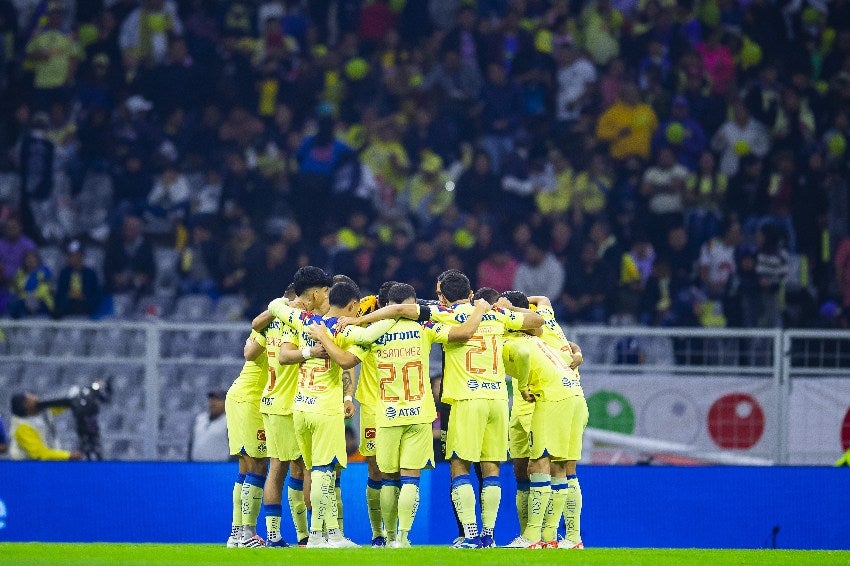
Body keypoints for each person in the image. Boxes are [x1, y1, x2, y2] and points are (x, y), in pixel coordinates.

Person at [324, 282, 488, 547]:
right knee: (411, 477)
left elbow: (347, 351)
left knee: (387, 477)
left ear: (386, 304)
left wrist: (328, 330)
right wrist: (480, 308)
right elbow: (465, 332)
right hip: (420, 412)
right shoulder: (425, 328)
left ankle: (386, 537)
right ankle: (403, 538)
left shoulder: (372, 333)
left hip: (387, 413)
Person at [268, 281, 394, 548]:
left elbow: (276, 312)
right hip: (325, 409)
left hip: (300, 406)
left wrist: (291, 305)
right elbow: (347, 362)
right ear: (351, 306)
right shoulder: (348, 333)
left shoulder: (304, 322)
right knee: (324, 473)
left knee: (312, 470)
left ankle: (333, 533)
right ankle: (316, 536)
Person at [499, 292, 587, 549]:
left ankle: (538, 535)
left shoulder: (527, 329)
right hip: (566, 394)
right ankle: (560, 537)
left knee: (543, 466)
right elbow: (544, 301)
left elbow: (535, 319)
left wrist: (505, 307)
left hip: (542, 398)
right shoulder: (547, 319)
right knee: (553, 469)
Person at [256, 267, 333, 547]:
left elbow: (250, 349)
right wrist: (309, 351)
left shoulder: (275, 316)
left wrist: (276, 311)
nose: (326, 296)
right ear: (313, 293)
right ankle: (314, 535)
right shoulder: (303, 321)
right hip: (291, 403)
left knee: (283, 468)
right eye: (325, 291)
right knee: (303, 468)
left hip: (273, 399)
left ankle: (285, 535)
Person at [223, 322, 271, 548]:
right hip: (250, 399)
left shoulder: (265, 323)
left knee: (245, 467)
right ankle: (248, 534)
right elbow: (249, 353)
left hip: (240, 396)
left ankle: (237, 532)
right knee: (258, 464)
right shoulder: (276, 324)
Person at [8, 392, 82, 460]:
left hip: (47, 463)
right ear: (26, 405)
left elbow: (60, 406)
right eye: (30, 398)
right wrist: (68, 455)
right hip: (26, 467)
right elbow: (40, 454)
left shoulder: (41, 412)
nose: (35, 398)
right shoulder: (22, 427)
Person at [55, 240, 101, 318]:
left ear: (81, 256)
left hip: (86, 310)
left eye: (74, 255)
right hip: (67, 311)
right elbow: (59, 295)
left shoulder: (90, 273)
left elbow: (95, 295)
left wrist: (83, 298)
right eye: (70, 255)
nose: (71, 258)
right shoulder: (64, 273)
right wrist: (69, 296)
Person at [188, 389, 229, 462]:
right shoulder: (199, 419)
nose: (213, 403)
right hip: (196, 466)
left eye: (218, 400)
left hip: (219, 467)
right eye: (212, 399)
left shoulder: (229, 422)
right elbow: (192, 444)